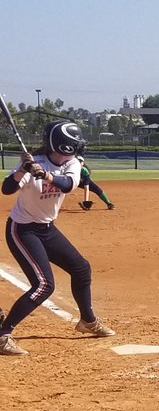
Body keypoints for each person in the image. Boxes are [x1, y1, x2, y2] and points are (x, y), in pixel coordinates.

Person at [0, 121, 115, 356]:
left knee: (81, 268)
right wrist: (23, 169)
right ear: (63, 146)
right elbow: (7, 189)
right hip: (22, 230)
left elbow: (67, 185)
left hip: (46, 229)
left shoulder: (71, 163)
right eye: (74, 144)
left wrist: (47, 176)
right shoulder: (33, 163)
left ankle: (87, 321)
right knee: (44, 285)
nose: (78, 148)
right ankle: (3, 335)